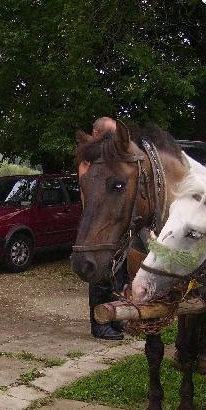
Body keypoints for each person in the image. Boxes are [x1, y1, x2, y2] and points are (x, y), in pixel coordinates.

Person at [81, 116, 126, 340]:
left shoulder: (108, 156)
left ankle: (115, 317)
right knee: (98, 272)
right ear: (97, 134)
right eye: (109, 135)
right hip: (96, 222)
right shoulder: (90, 159)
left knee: (117, 272)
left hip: (111, 221)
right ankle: (99, 324)